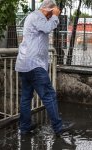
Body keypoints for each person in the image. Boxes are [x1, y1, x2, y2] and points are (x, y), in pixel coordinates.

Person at [15, 0, 73, 135]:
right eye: (50, 14)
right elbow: (48, 28)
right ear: (47, 10)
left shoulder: (33, 17)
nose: (50, 17)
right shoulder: (38, 16)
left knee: (26, 97)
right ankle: (58, 128)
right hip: (34, 65)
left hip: (24, 65)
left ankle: (24, 127)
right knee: (49, 95)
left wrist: (52, 16)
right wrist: (55, 15)